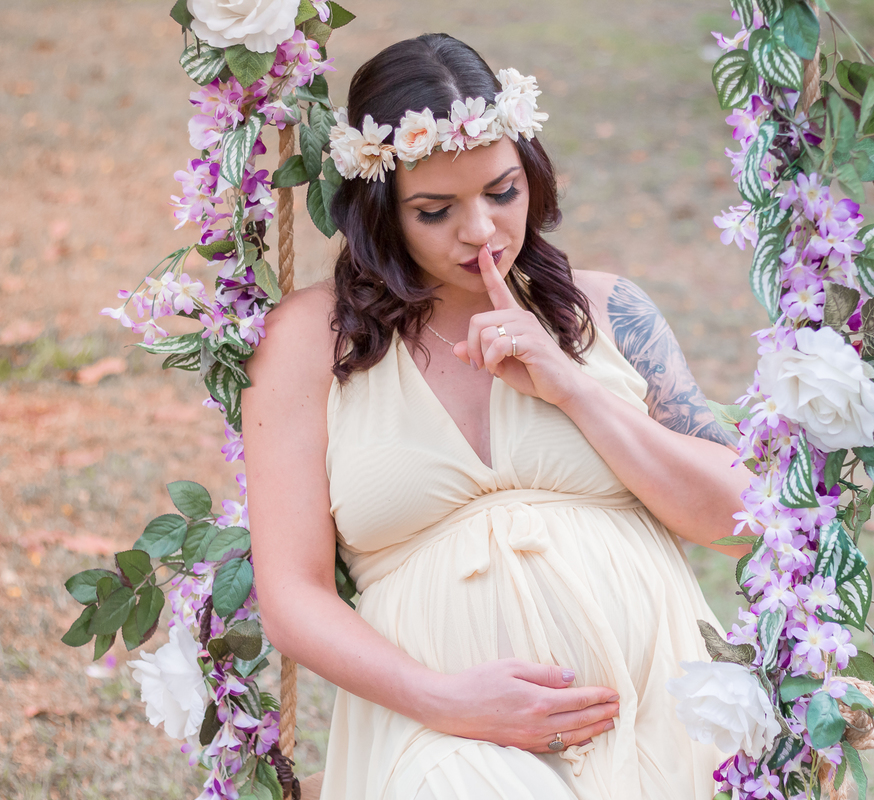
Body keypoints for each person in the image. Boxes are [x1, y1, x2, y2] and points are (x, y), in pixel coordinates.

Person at [242, 33, 752, 800]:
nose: (480, 231)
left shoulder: (609, 311)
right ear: (381, 210)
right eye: (435, 209)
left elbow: (741, 519)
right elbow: (292, 595)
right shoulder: (309, 343)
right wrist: (442, 699)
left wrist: (572, 388)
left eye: (502, 192)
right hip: (440, 733)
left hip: (663, 709)